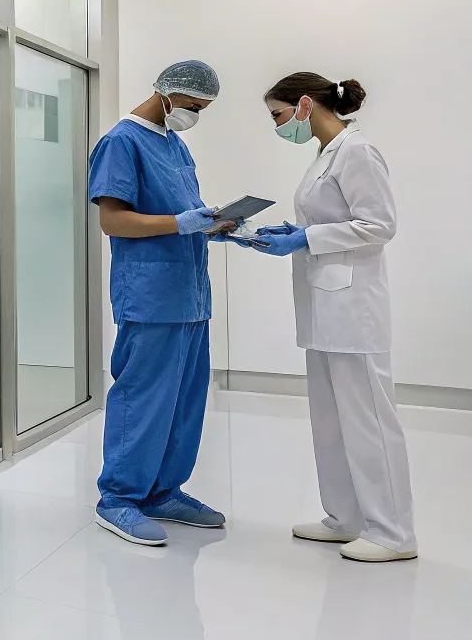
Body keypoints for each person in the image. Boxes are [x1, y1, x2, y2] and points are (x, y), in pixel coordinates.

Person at [250, 72, 416, 563]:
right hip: (323, 304)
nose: (278, 126)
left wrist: (306, 239)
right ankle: (345, 517)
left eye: (278, 115)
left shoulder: (358, 152)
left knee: (368, 421)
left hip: (353, 308)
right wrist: (297, 230)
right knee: (330, 419)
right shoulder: (325, 155)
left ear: (304, 105)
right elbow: (332, 218)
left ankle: (393, 533)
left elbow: (379, 226)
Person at [86, 59, 230, 546]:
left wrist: (216, 225)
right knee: (144, 396)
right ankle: (120, 499)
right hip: (149, 295)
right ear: (169, 92)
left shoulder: (176, 144)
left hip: (189, 292)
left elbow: (185, 213)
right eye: (193, 105)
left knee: (186, 400)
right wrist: (182, 223)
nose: (195, 115)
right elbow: (114, 221)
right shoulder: (120, 143)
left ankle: (163, 491)